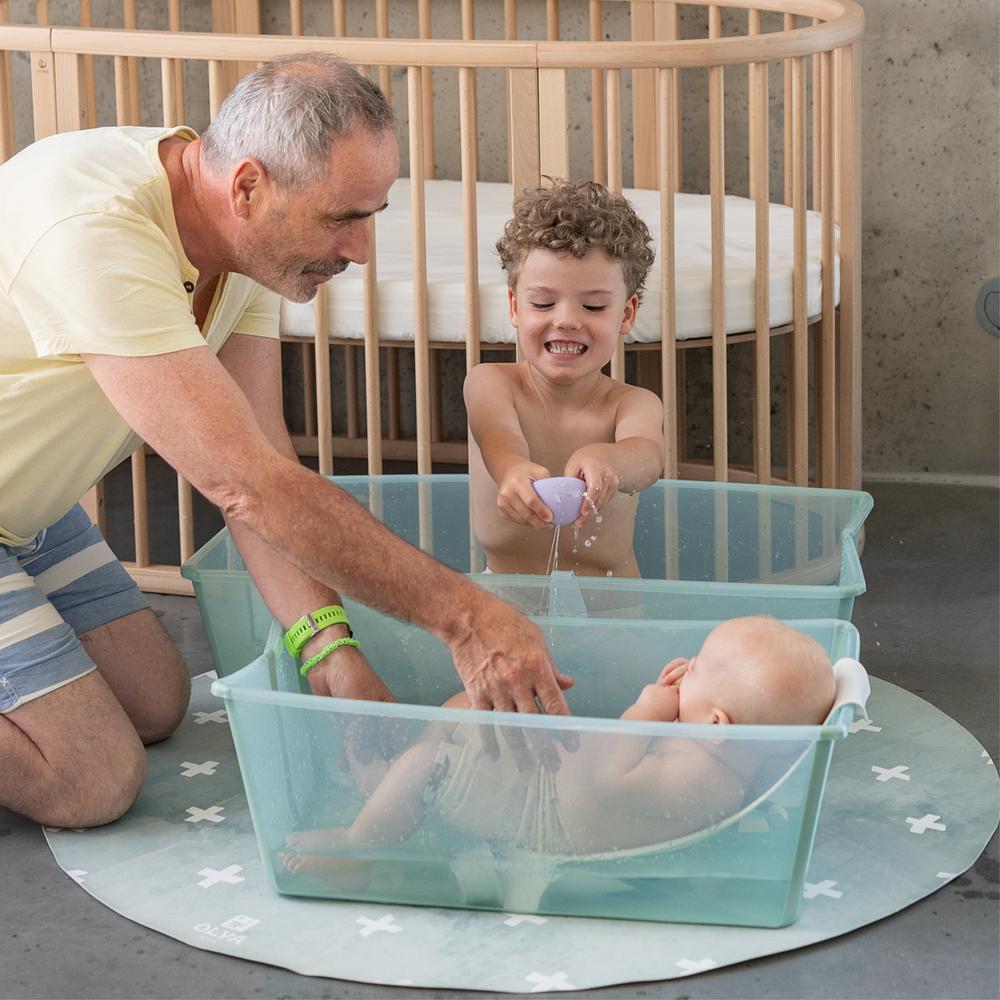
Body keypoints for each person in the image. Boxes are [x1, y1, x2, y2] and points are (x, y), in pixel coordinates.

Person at [0, 53, 574, 831]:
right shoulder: (95, 229)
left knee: (156, 701)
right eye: (343, 218)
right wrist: (466, 619)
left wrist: (335, 665)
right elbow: (245, 485)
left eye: (369, 216)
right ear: (247, 187)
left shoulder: (238, 245)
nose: (361, 250)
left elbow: (262, 465)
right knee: (92, 779)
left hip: (25, 507)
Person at [281, 616, 837, 875]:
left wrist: (647, 707)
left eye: (695, 669)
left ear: (717, 722)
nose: (679, 671)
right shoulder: (723, 764)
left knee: (428, 762)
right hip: (544, 784)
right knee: (461, 708)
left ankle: (359, 843)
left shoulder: (701, 774)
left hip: (536, 811)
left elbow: (607, 779)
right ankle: (391, 778)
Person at [464, 179, 665, 578]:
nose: (568, 320)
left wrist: (609, 461)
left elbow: (648, 456)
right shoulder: (490, 383)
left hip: (613, 606)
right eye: (543, 303)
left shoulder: (632, 403)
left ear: (625, 315)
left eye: (592, 306)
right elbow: (497, 436)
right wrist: (512, 469)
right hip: (507, 599)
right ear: (515, 307)